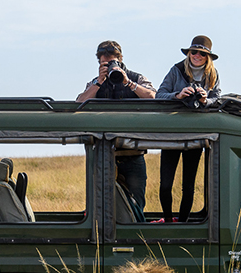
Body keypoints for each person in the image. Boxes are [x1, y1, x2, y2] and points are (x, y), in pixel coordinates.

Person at [76, 40, 156, 209]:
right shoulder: (95, 83)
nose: (109, 64)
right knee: (100, 202)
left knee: (136, 202)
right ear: (99, 63)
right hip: (103, 152)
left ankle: (136, 232)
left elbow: (154, 98)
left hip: (132, 151)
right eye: (104, 62)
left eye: (113, 61)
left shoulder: (136, 78)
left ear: (120, 59)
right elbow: (79, 103)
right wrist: (99, 82)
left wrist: (128, 83)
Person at [156, 36, 221, 222]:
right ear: (188, 53)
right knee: (165, 185)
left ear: (208, 57)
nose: (197, 56)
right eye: (194, 52)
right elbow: (159, 94)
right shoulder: (176, 70)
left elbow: (218, 100)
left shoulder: (213, 75)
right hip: (172, 132)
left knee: (189, 185)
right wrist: (178, 95)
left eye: (202, 53)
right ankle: (168, 221)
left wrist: (204, 100)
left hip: (196, 133)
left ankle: (183, 222)